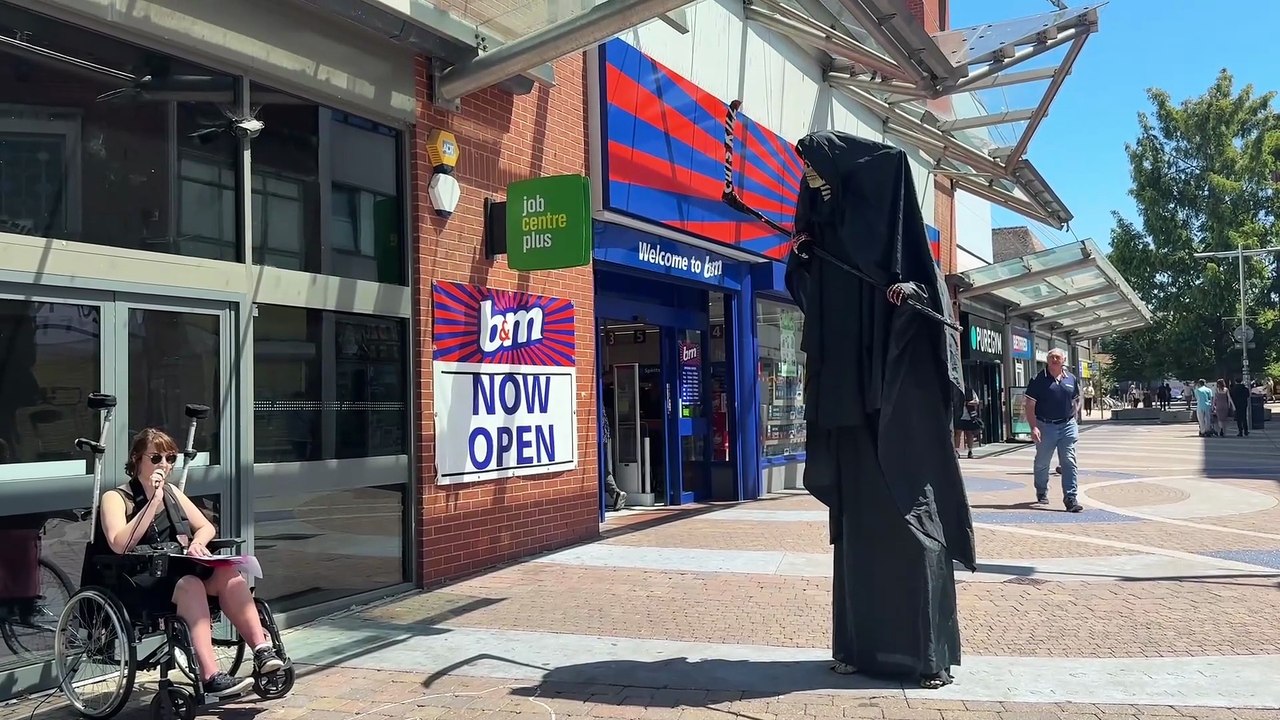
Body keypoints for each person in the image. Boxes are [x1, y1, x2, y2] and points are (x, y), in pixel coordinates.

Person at [784, 130, 975, 690]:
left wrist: (909, 301)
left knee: (912, 524)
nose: (812, 184)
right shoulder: (828, 241)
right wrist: (804, 262)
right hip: (847, 409)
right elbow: (814, 305)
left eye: (820, 174)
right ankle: (858, 645)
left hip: (894, 411)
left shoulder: (905, 253)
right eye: (809, 177)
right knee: (858, 533)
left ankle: (924, 654)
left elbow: (938, 330)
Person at [94, 428, 285, 698]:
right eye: (156, 457)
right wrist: (152, 502)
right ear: (137, 459)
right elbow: (119, 544)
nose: (164, 465)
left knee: (227, 573)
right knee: (191, 584)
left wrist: (198, 542)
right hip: (138, 578)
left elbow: (206, 527)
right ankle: (210, 676)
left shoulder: (172, 492)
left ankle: (262, 651)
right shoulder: (115, 498)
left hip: (175, 567)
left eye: (170, 458)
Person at [1024, 348, 1083, 512]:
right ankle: (1041, 490)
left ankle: (1071, 498)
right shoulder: (1038, 379)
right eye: (1051, 357)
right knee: (1042, 462)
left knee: (1069, 461)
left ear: (1064, 360)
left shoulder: (1071, 378)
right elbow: (1029, 405)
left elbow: (1076, 398)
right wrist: (1034, 427)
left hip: (1067, 425)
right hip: (1045, 426)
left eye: (1057, 357)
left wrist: (1074, 416)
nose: (1054, 360)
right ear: (1047, 360)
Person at [953, 385, 981, 459]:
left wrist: (967, 403)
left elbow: (976, 401)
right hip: (959, 416)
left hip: (969, 415)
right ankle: (957, 451)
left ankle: (970, 451)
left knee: (969, 434)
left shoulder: (970, 391)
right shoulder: (956, 391)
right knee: (958, 433)